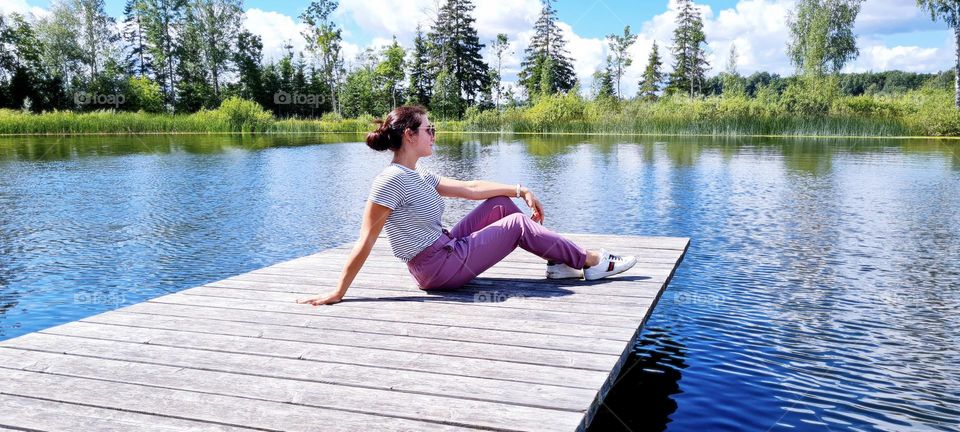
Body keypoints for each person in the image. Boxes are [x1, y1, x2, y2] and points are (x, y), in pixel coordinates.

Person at [297, 105, 637, 306]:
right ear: (410, 136)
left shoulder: (418, 174)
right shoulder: (390, 181)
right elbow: (365, 240)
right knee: (517, 225)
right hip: (435, 268)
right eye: (430, 129)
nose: (435, 135)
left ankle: (559, 264)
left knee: (501, 205)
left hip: (446, 248)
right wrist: (339, 291)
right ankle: (589, 262)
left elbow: (472, 189)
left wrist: (521, 189)